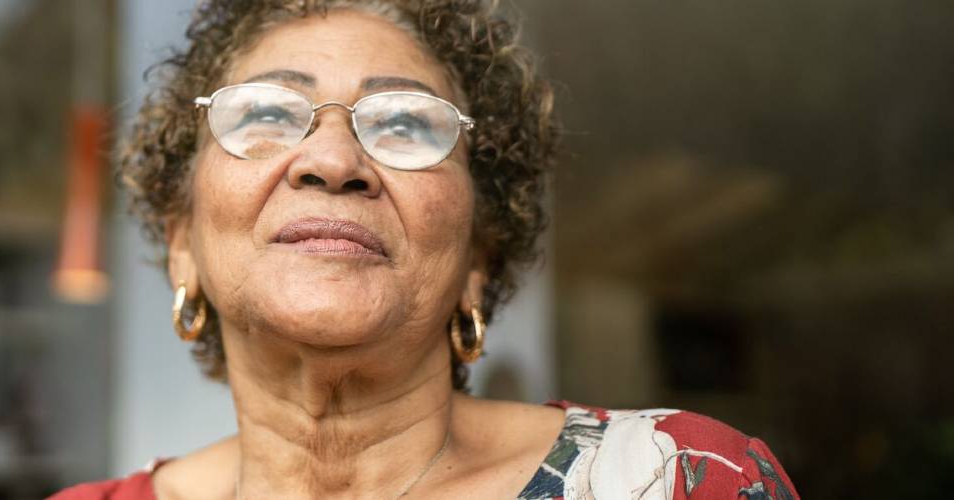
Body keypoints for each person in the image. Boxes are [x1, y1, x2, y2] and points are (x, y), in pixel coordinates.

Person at [55, 1, 799, 498]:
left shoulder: (682, 480)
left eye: (406, 125)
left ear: (478, 259)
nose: (333, 161)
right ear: (182, 246)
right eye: (268, 114)